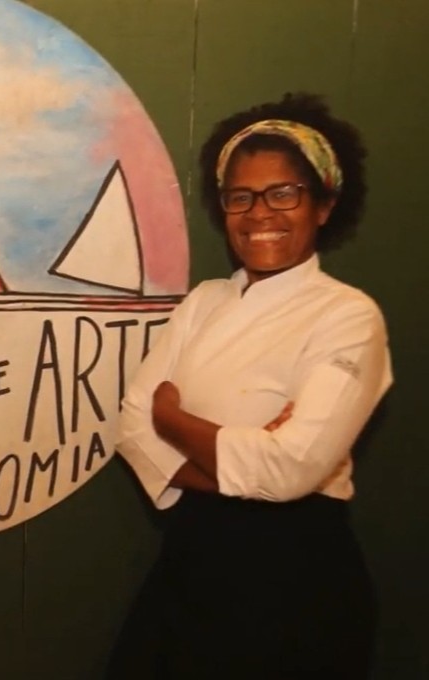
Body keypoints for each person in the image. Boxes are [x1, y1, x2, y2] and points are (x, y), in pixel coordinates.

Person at [106, 92, 392, 679]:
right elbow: (132, 427)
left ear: (324, 205)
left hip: (295, 578)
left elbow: (289, 468)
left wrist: (174, 421)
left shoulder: (348, 315)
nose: (259, 213)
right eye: (241, 196)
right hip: (190, 561)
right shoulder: (203, 301)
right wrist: (243, 457)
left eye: (284, 193)